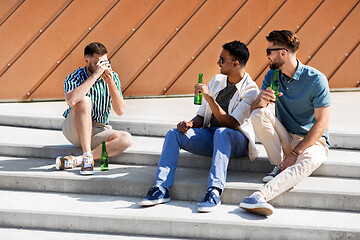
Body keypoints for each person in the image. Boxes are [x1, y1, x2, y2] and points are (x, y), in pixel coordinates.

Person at [139, 41, 259, 212]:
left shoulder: (251, 90)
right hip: (212, 135)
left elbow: (232, 123)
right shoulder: (217, 80)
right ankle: (161, 188)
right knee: (173, 134)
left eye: (222, 60)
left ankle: (214, 191)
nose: (218, 63)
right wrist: (189, 124)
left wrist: (209, 98)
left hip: (236, 140)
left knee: (223, 133)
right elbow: (202, 117)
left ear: (235, 63)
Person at [239, 30, 331, 216]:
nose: (266, 56)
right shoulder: (272, 76)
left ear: (282, 52)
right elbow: (253, 111)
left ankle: (259, 196)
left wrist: (296, 153)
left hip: (313, 142)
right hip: (286, 137)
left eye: (269, 51)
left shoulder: (315, 79)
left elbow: (322, 123)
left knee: (310, 160)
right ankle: (280, 165)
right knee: (259, 114)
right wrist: (261, 101)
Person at [55, 42, 132, 175]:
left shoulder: (113, 77)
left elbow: (120, 111)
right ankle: (87, 156)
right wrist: (95, 76)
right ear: (87, 60)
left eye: (106, 62)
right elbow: (72, 100)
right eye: (99, 62)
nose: (103, 66)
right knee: (84, 100)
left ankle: (79, 160)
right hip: (74, 128)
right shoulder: (75, 77)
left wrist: (111, 84)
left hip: (98, 129)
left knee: (126, 138)